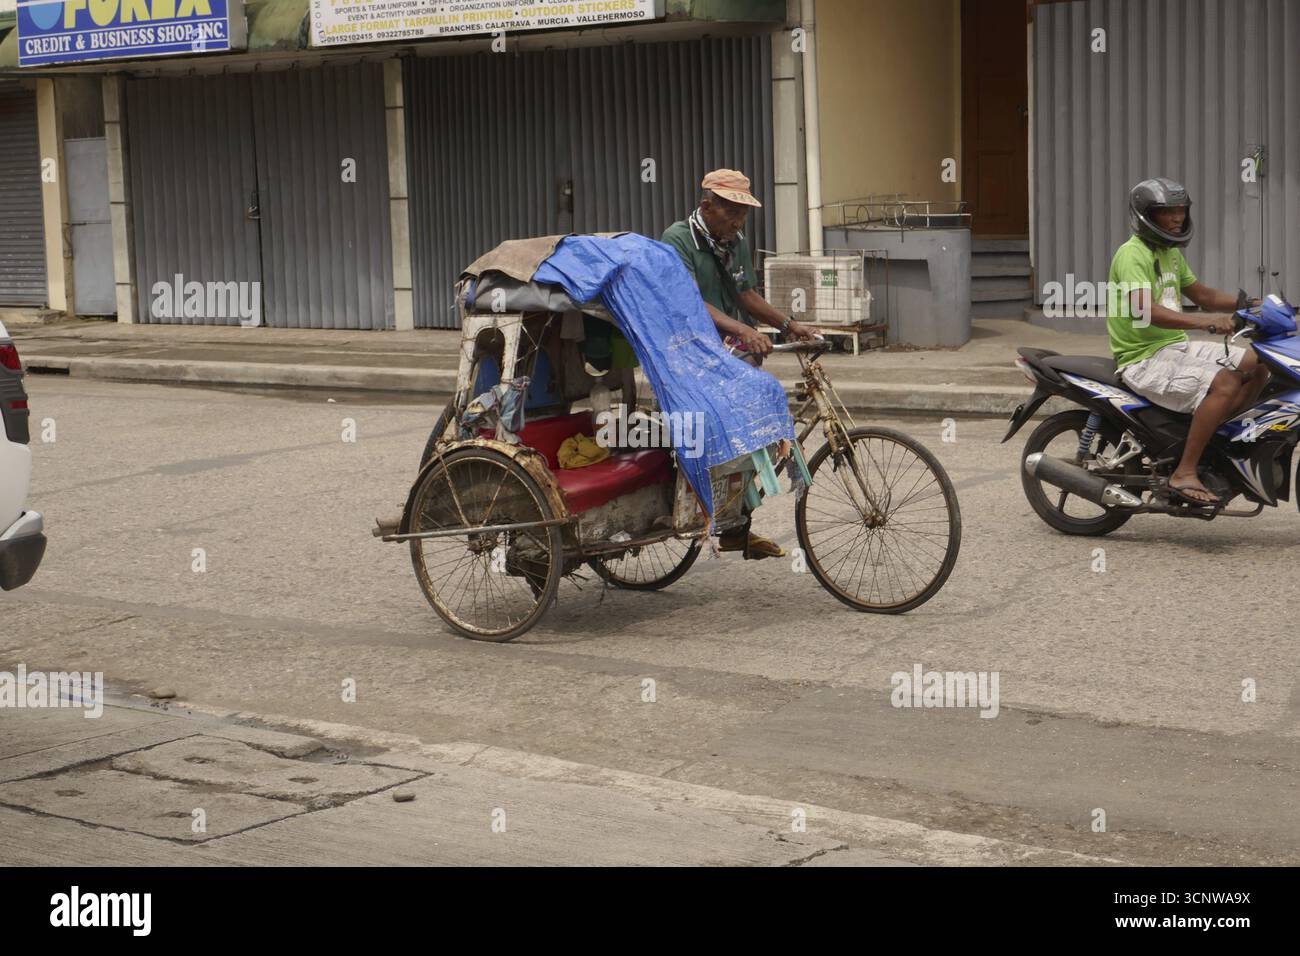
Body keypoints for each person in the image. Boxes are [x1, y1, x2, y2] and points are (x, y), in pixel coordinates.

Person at [661, 169, 816, 558]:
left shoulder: (735, 240)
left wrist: (789, 325)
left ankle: (736, 527)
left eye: (744, 215)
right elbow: (692, 303)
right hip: (691, 355)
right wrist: (744, 332)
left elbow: (747, 295)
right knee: (729, 438)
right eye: (732, 213)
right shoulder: (678, 240)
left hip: (731, 353)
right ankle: (724, 521)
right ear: (707, 207)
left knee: (751, 434)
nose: (738, 222)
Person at [1107, 177, 1266, 505]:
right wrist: (1207, 322)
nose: (1177, 217)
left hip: (1175, 346)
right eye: (1168, 212)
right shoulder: (1132, 254)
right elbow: (1146, 312)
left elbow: (1202, 294)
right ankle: (1185, 471)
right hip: (1143, 357)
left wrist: (1250, 305)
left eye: (1180, 210)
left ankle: (1215, 440)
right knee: (1225, 383)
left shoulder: (1170, 253)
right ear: (1146, 215)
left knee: (1260, 363)